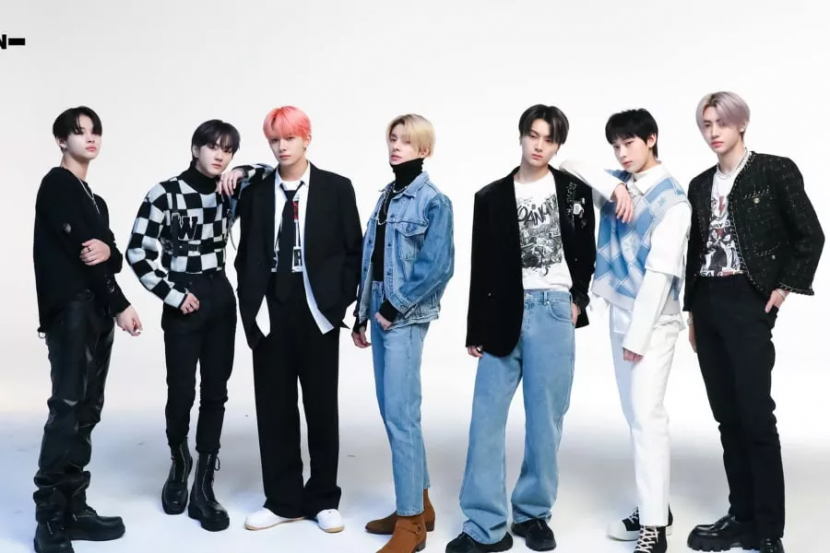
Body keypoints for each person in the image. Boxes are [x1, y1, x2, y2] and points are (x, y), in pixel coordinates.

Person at [446, 104, 602, 553]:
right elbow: (480, 266)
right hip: (501, 314)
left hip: (553, 312)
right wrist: (475, 328)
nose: (539, 146)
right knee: (486, 421)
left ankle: (533, 514)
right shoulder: (490, 197)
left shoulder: (571, 190)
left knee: (545, 423)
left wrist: (577, 300)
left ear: (557, 146)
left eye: (549, 140)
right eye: (533, 135)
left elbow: (586, 251)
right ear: (521, 136)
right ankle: (485, 526)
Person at [684, 92, 825, 553]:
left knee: (756, 417)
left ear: (741, 124)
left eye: (721, 123)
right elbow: (694, 252)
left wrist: (782, 288)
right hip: (707, 304)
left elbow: (810, 234)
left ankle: (767, 529)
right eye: (706, 124)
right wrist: (692, 312)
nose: (713, 132)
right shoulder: (699, 185)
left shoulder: (774, 170)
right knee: (727, 417)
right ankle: (740, 516)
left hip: (748, 300)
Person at [217, 105, 363, 535]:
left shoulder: (337, 188)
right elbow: (243, 249)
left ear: (306, 139)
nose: (282, 147)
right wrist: (250, 305)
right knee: (274, 406)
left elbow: (353, 250)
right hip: (270, 307)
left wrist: (338, 303)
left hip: (317, 306)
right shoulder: (256, 191)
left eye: (290, 138)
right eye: (274, 140)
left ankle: (323, 499)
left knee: (321, 407)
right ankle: (282, 500)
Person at [560, 108, 690, 553]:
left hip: (652, 325)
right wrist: (615, 186)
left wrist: (637, 338)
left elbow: (660, 275)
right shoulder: (619, 184)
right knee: (636, 419)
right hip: (619, 316)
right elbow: (568, 164)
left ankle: (654, 529)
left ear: (651, 139)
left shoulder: (673, 202)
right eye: (615, 145)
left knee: (648, 419)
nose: (621, 152)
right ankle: (654, 506)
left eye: (629, 143)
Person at [32, 106, 143, 553]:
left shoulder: (95, 201)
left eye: (95, 131)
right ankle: (48, 520)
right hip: (72, 312)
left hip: (96, 311)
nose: (90, 138)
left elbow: (111, 255)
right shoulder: (57, 185)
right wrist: (122, 303)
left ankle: (73, 508)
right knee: (67, 407)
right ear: (62, 140)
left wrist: (110, 254)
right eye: (80, 132)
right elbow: (86, 252)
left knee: (88, 409)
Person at [126, 119, 242, 531]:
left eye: (228, 150)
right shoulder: (165, 193)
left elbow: (270, 173)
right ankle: (180, 462)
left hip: (220, 294)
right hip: (184, 297)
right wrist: (173, 294)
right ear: (195, 149)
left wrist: (242, 172)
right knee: (180, 391)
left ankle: (204, 484)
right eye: (212, 147)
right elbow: (137, 251)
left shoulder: (231, 190)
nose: (220, 155)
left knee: (216, 392)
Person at [351, 114, 455, 553]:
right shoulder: (387, 196)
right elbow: (372, 258)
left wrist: (394, 307)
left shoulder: (433, 201)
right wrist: (362, 313)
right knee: (394, 411)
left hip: (404, 316)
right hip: (380, 309)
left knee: (401, 415)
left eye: (406, 141)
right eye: (393, 139)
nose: (396, 146)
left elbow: (439, 266)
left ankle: (411, 524)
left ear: (424, 150)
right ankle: (420, 504)